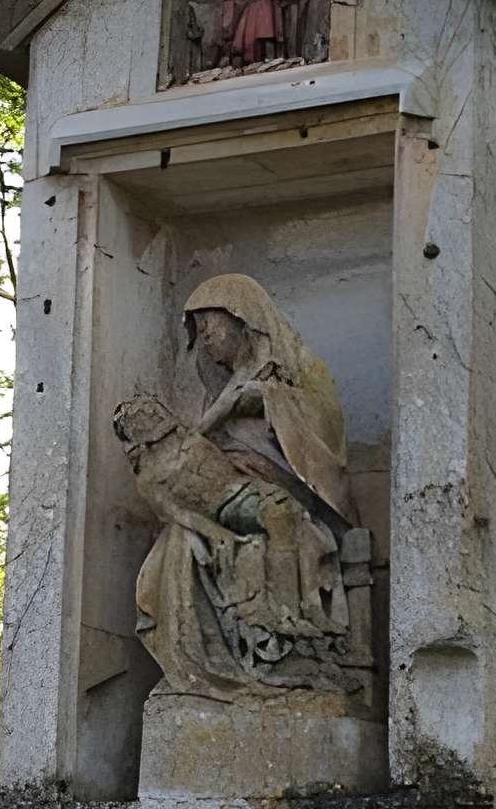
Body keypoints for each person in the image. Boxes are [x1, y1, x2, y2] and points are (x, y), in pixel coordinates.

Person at [115, 274, 359, 701]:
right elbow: (198, 457)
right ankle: (203, 670)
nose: (205, 342)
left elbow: (324, 445)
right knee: (175, 551)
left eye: (210, 329)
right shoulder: (221, 391)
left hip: (285, 499)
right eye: (199, 334)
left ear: (243, 320)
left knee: (276, 528)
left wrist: (270, 402)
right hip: (222, 503)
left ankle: (285, 647)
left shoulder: (299, 373)